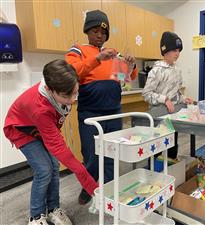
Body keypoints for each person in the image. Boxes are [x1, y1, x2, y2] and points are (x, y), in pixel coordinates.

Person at [3, 59, 98, 225]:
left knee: (54, 166)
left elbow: (83, 68)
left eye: (75, 92)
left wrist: (99, 59)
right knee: (44, 169)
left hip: (40, 128)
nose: (73, 99)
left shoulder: (66, 78)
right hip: (21, 129)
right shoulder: (40, 108)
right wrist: (91, 185)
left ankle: (54, 209)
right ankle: (36, 216)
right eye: (67, 96)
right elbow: (58, 146)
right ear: (49, 89)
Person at [65, 10, 137, 205]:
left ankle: (110, 192)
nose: (100, 35)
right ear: (87, 31)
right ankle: (89, 186)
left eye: (103, 33)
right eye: (95, 30)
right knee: (91, 155)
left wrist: (130, 66)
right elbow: (71, 71)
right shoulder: (78, 50)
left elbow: (126, 79)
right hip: (90, 113)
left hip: (114, 111)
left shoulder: (114, 54)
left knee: (112, 153)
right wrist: (97, 59)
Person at [142, 31, 193, 159]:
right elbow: (146, 94)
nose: (177, 54)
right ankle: (155, 176)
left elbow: (175, 93)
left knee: (172, 148)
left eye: (179, 50)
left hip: (172, 116)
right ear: (165, 51)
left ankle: (171, 175)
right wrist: (164, 99)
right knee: (156, 150)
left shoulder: (177, 70)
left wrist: (183, 98)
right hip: (158, 116)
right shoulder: (156, 70)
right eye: (174, 50)